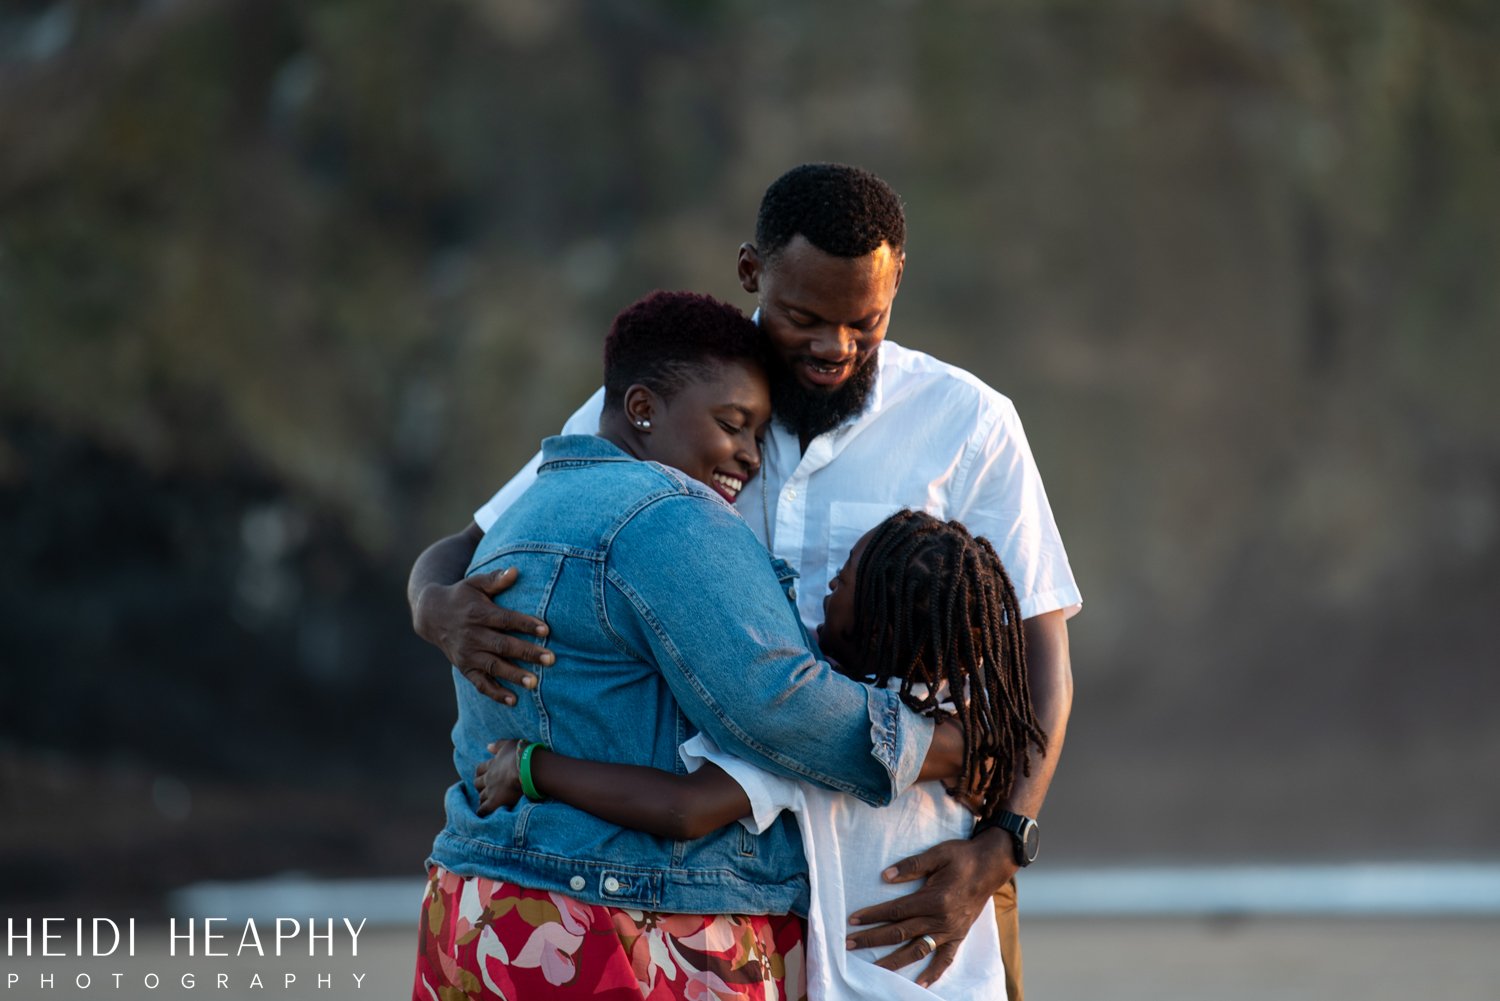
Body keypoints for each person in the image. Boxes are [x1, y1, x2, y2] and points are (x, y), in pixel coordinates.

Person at [408, 163, 1080, 997]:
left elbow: (1041, 655)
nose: (836, 346)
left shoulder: (968, 421)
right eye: (804, 317)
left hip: (918, 869)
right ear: (751, 273)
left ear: (898, 279)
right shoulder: (674, 399)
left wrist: (1005, 841)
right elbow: (484, 539)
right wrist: (434, 606)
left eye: (865, 321)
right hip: (732, 883)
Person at [412, 290, 967, 1001]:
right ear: (641, 408)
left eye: (760, 435)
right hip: (624, 924)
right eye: (733, 424)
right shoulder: (670, 518)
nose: (748, 456)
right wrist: (947, 746)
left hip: (474, 908)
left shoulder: (521, 514)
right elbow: (779, 703)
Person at [474, 509, 1046, 1000]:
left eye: (842, 580)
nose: (827, 589)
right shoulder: (979, 732)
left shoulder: (831, 732)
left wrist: (531, 766)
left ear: (877, 620)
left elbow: (685, 809)